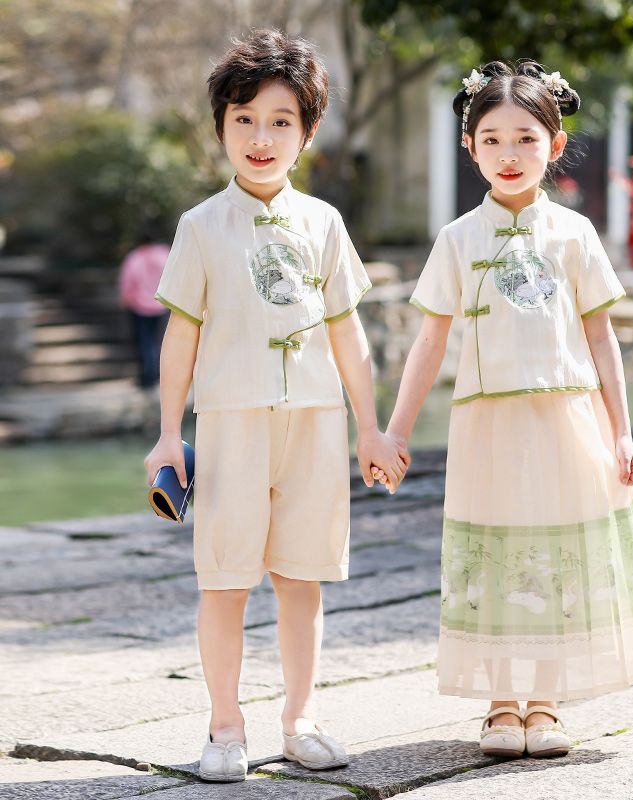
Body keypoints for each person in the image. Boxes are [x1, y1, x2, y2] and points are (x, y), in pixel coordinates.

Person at [381, 60, 633, 759]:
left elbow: (602, 338)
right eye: (492, 140)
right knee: (496, 550)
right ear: (470, 146)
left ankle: (543, 702)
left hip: (567, 417)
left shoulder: (575, 234)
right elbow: (430, 339)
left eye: (525, 138)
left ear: (554, 141)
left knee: (555, 553)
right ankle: (497, 703)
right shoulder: (457, 239)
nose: (509, 155)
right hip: (486, 422)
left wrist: (622, 430)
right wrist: (394, 429)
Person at [144, 29, 408, 782]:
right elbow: (180, 337)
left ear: (308, 132)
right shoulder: (200, 227)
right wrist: (169, 435)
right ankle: (225, 726)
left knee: (303, 578)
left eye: (281, 120)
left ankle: (300, 718)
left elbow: (348, 332)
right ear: (222, 127)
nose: (262, 137)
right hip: (230, 424)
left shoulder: (324, 223)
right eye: (245, 119)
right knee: (224, 579)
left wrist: (371, 428)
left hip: (317, 423)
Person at [118, 223, 170, 388]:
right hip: (162, 305)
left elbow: (127, 283)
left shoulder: (134, 258)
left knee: (145, 342)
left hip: (139, 307)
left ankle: (148, 377)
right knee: (161, 342)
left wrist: (125, 300)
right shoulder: (164, 254)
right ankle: (159, 375)